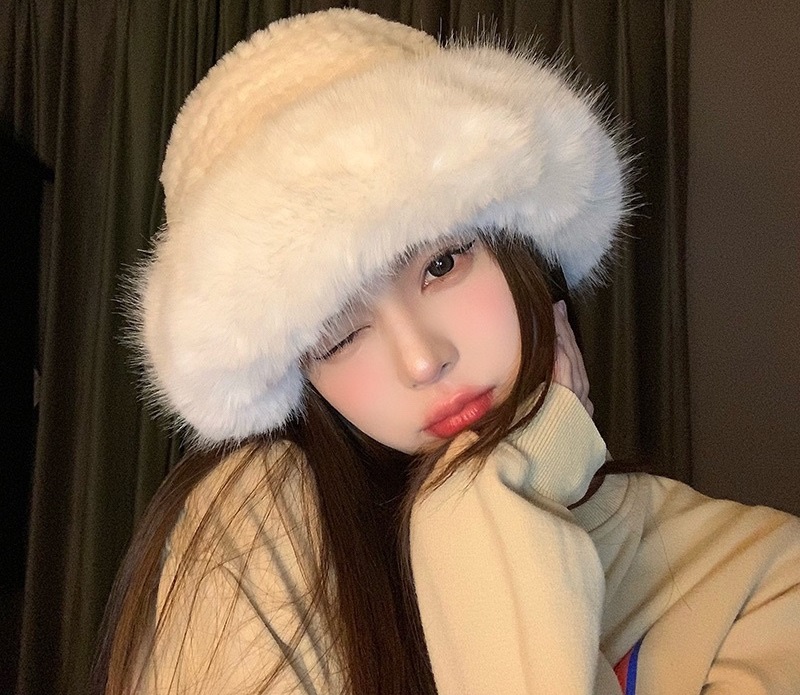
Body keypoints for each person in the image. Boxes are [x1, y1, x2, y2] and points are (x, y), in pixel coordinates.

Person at [92, 8, 800, 695]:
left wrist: (491, 497)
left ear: (519, 242)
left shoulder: (764, 576)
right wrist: (486, 490)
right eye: (338, 333)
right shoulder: (260, 523)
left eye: (441, 265)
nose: (422, 359)